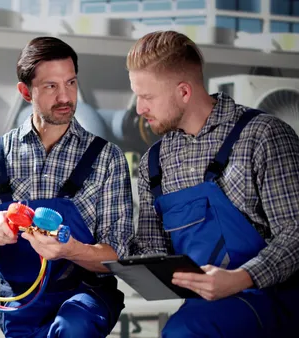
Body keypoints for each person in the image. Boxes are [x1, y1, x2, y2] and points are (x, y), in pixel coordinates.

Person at [128, 30, 299, 337]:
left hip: (275, 305)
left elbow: (296, 233)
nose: (140, 109)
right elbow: (152, 249)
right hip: (206, 310)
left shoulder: (263, 136)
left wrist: (242, 277)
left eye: (147, 97)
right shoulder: (156, 161)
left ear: (183, 92)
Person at [0, 36, 134, 338]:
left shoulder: (107, 158)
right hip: (20, 306)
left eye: (70, 83)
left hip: (86, 299)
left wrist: (71, 250)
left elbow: (116, 257)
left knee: (71, 328)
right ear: (25, 91)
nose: (65, 97)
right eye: (51, 86)